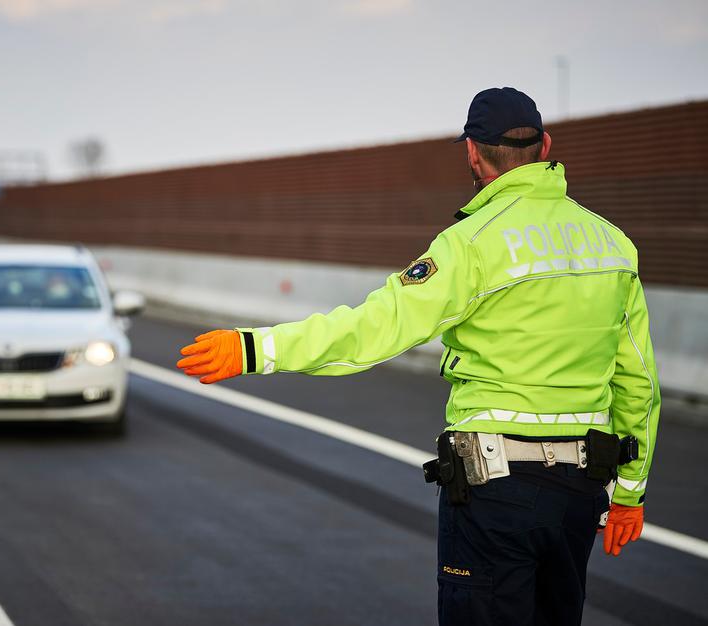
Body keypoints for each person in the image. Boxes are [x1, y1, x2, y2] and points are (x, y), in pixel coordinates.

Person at [175, 87, 660, 626]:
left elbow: (373, 329)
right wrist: (631, 491)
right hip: (580, 493)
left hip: (495, 489)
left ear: (472, 153)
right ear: (545, 146)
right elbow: (637, 380)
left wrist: (254, 348)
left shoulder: (470, 244)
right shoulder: (613, 244)